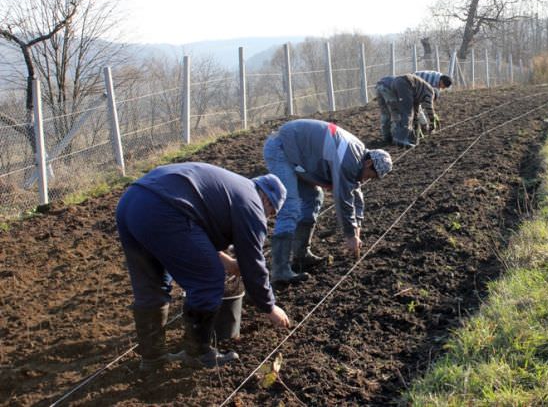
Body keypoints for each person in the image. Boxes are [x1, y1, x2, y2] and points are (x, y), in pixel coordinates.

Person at [115, 162, 291, 371]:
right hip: (164, 208)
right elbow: (253, 262)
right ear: (267, 201)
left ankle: (153, 358)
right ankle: (198, 353)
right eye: (270, 214)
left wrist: (229, 262)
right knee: (208, 280)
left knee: (151, 284)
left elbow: (198, 230)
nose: (267, 218)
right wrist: (269, 307)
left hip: (132, 201)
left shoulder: (232, 188)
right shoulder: (253, 204)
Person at [263, 119, 393, 285]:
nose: (366, 179)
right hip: (281, 148)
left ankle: (301, 255)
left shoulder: (358, 157)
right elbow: (342, 197)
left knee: (315, 197)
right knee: (290, 206)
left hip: (301, 154)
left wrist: (356, 230)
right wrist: (349, 235)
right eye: (369, 175)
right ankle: (280, 270)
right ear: (368, 163)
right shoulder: (349, 160)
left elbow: (356, 195)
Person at [375, 73, 439, 147]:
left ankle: (387, 137)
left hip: (389, 84)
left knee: (386, 113)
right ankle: (401, 138)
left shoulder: (418, 95)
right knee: (406, 112)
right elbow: (429, 108)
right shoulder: (431, 92)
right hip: (404, 83)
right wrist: (432, 122)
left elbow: (416, 113)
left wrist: (417, 130)